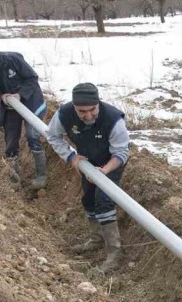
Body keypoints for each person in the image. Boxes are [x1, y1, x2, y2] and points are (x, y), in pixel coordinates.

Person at [44, 83, 130, 274]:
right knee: (88, 199)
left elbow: (122, 152)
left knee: (104, 200)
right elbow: (52, 136)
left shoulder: (113, 120)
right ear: (74, 107)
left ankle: (114, 253)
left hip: (111, 161)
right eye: (82, 111)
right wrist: (71, 157)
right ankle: (96, 239)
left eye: (92, 110)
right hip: (87, 160)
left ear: (98, 103)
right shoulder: (64, 114)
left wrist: (105, 170)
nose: (88, 115)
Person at [0, 40, 49, 189]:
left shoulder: (13, 60)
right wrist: (0, 98)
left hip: (30, 100)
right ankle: (15, 178)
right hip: (7, 106)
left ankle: (41, 176)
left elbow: (32, 78)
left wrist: (20, 95)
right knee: (11, 141)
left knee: (33, 136)